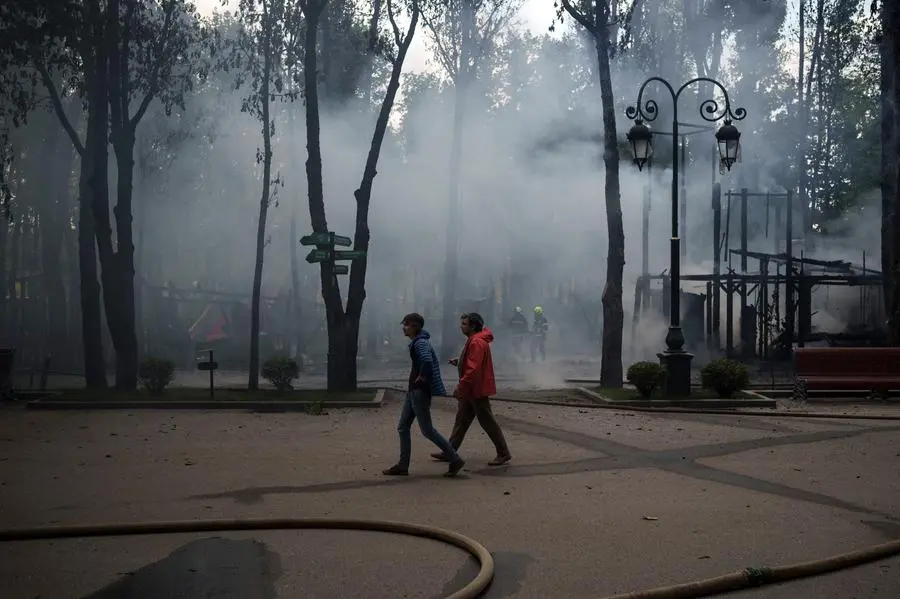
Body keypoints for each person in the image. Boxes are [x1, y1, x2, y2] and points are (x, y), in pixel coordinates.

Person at [383, 313, 465, 477]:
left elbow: (426, 361)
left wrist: (421, 378)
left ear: (415, 326)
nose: (404, 328)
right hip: (413, 390)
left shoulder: (420, 343)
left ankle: (455, 459)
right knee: (403, 427)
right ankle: (402, 465)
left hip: (419, 391)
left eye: (406, 325)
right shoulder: (419, 341)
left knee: (427, 430)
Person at [431, 312, 512, 466]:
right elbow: (472, 363)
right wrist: (460, 361)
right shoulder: (475, 340)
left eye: (464, 324)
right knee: (461, 420)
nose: (461, 327)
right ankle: (450, 451)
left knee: (487, 421)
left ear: (473, 326)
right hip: (473, 388)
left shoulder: (476, 342)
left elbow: (473, 369)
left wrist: (460, 387)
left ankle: (503, 452)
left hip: (476, 389)